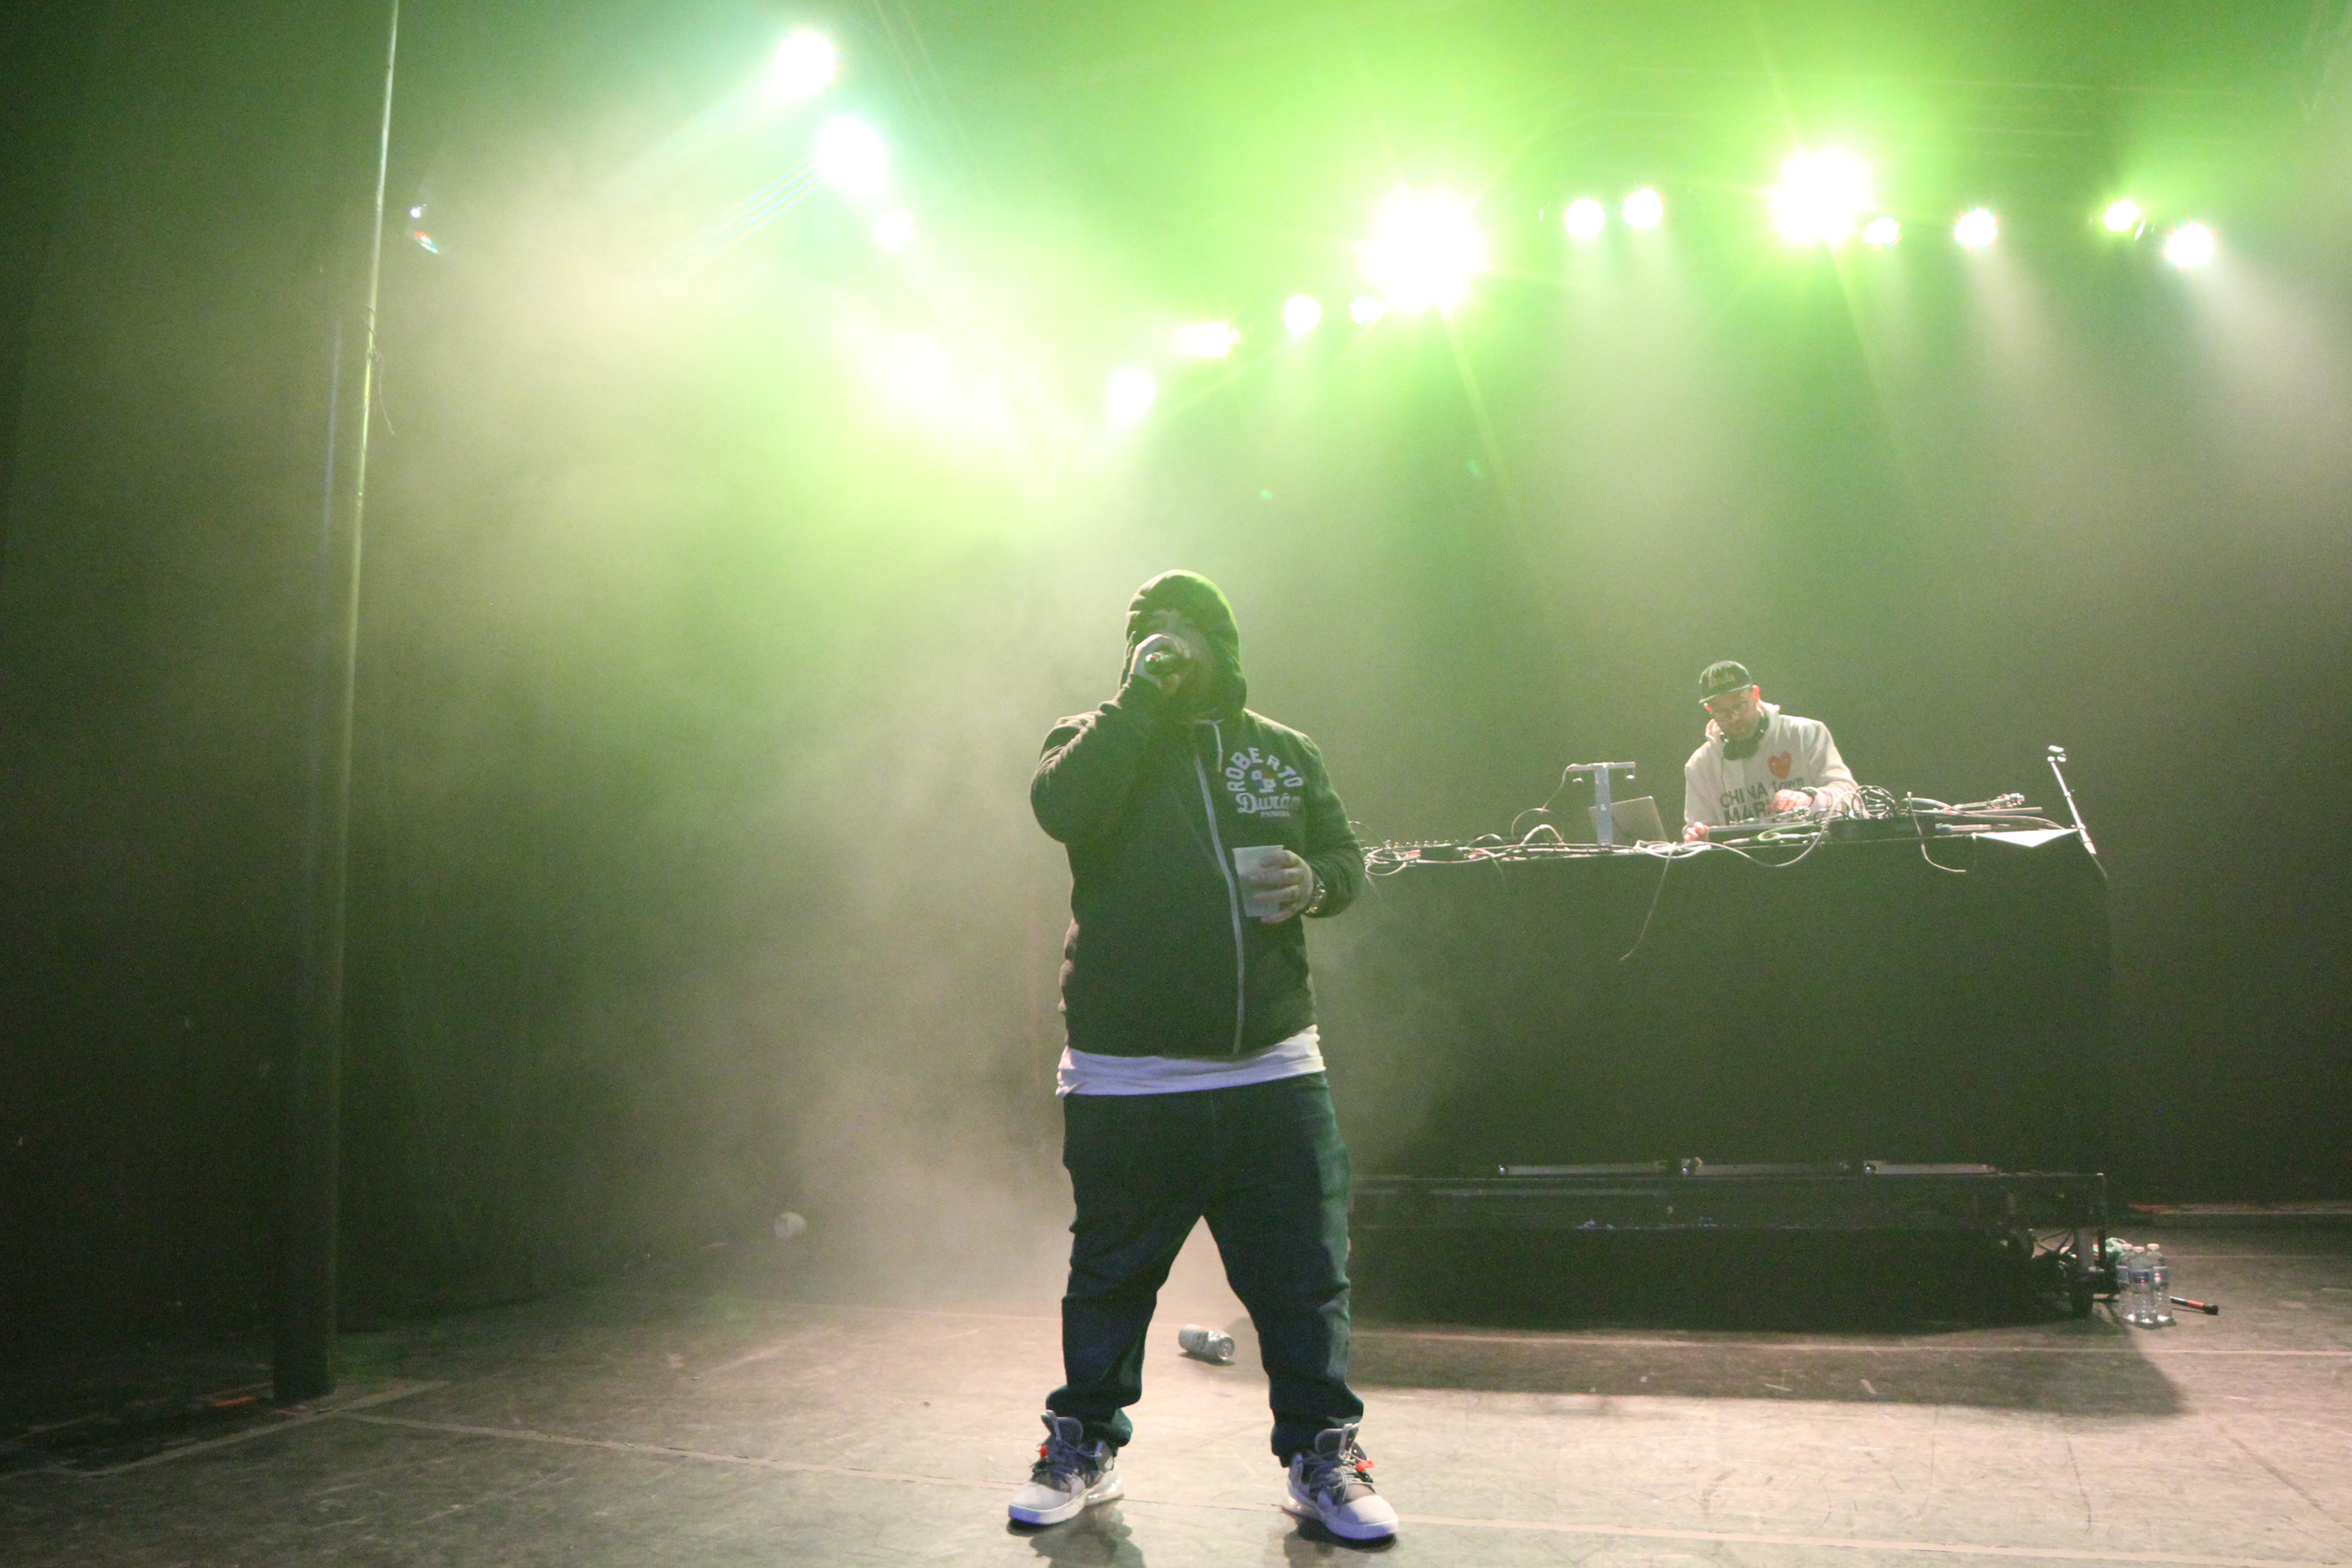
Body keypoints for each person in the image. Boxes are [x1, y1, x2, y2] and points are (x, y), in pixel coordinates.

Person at [1009, 569, 1397, 1543]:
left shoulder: (1283, 751)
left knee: (1303, 1282)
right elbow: (1063, 809)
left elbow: (1346, 859)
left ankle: (1322, 1458)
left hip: (1272, 1066)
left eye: (1189, 629)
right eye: (1151, 629)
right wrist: (1138, 699)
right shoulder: (1095, 737)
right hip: (1128, 1074)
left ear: (1223, 647)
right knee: (1111, 1278)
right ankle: (1083, 1448)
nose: (1169, 642)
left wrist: (1316, 881)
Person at [1682, 659, 1858, 840]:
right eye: (1721, 711)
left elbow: (1851, 797)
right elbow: (1697, 829)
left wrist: (1810, 798)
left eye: (1739, 706)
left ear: (1756, 694)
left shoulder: (1804, 733)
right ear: (1709, 709)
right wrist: (1698, 837)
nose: (1734, 718)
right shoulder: (1700, 764)